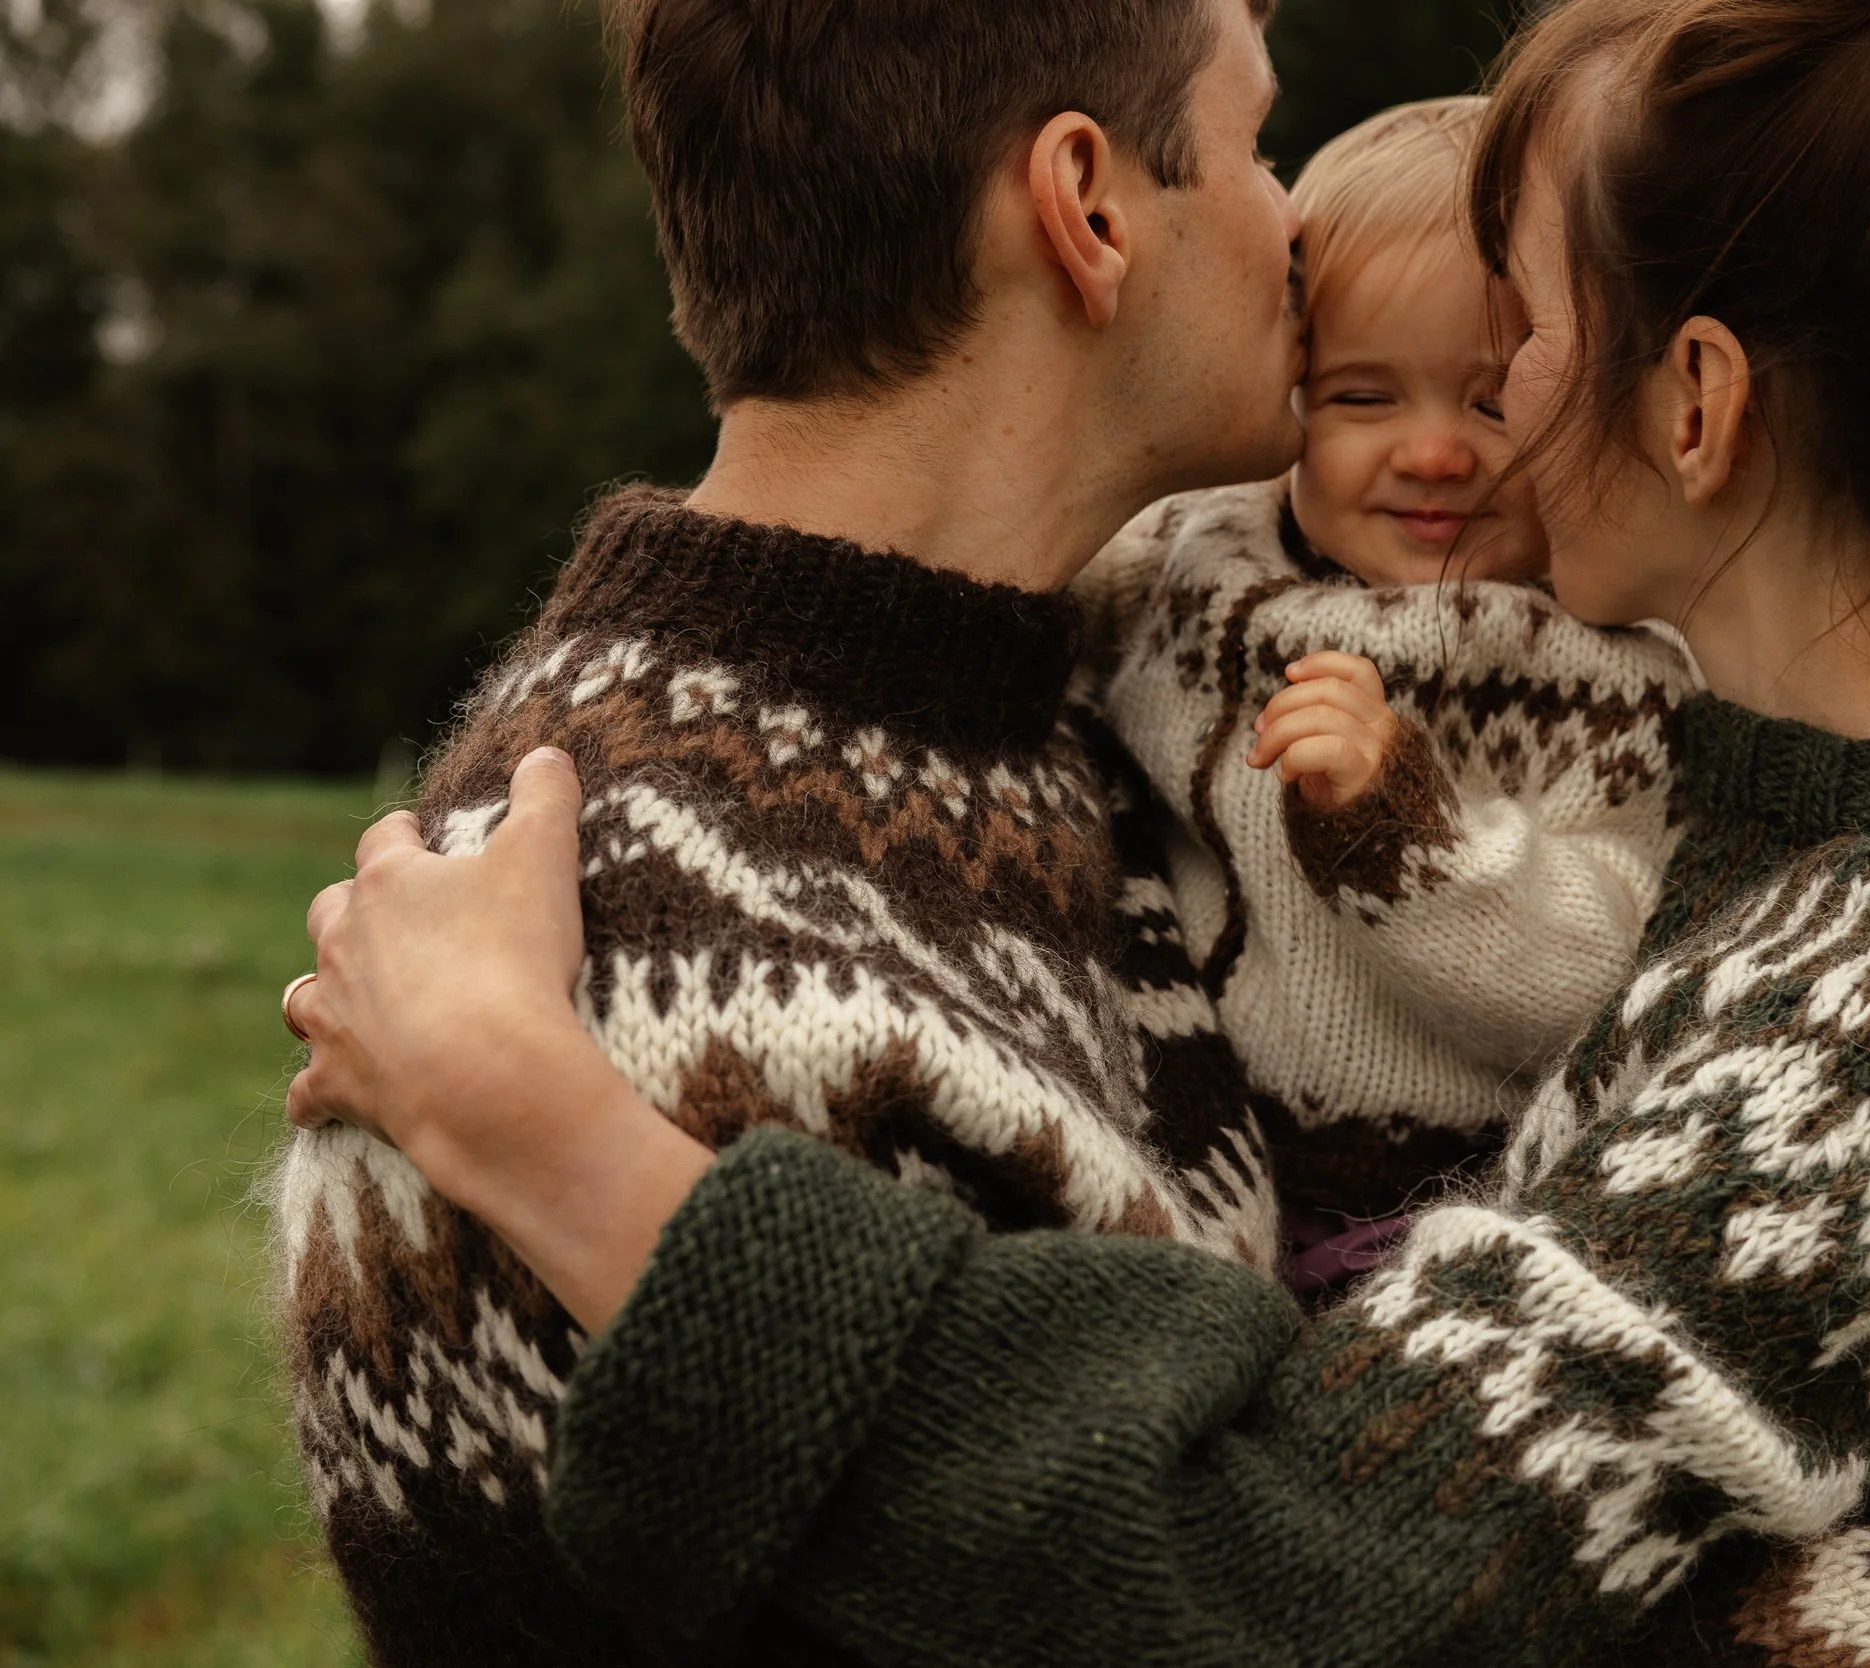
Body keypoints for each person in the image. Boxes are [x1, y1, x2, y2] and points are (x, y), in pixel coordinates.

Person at [282, 0, 1870, 1663]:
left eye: (1516, 336)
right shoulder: (675, 913)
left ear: (1699, 403)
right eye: (1267, 140)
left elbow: (1317, 1575)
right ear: (1086, 208)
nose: (1467, 398)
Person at [275, 0, 1303, 1660]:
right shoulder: (632, 971)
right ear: (1088, 205)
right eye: (1259, 143)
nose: (1297, 221)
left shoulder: (1054, 712)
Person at [1081, 96, 1702, 1296]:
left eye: (1492, 404)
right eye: (1363, 398)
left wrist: (1407, 834)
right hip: (1174, 1147)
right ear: (1291, 391)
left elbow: (1599, 977)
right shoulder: (1186, 556)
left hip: (1437, 1203)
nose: (1431, 454)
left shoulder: (1610, 673)